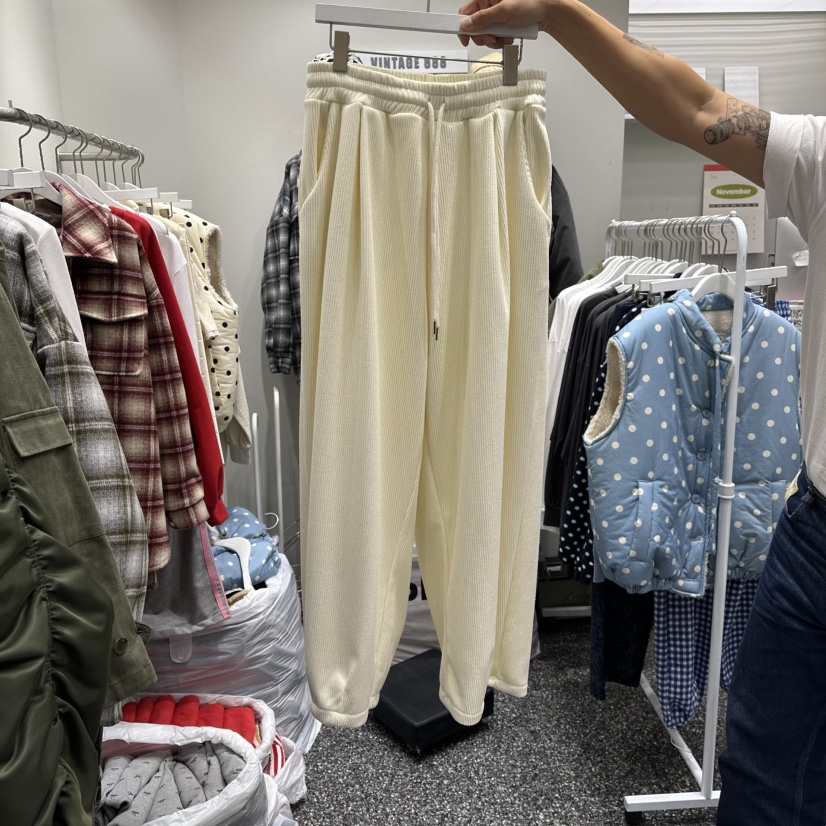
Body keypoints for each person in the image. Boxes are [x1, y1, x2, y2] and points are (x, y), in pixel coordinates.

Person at [459, 2, 826, 824]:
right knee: (761, 774)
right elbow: (693, 106)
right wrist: (556, 13)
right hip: (813, 533)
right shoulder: (823, 156)